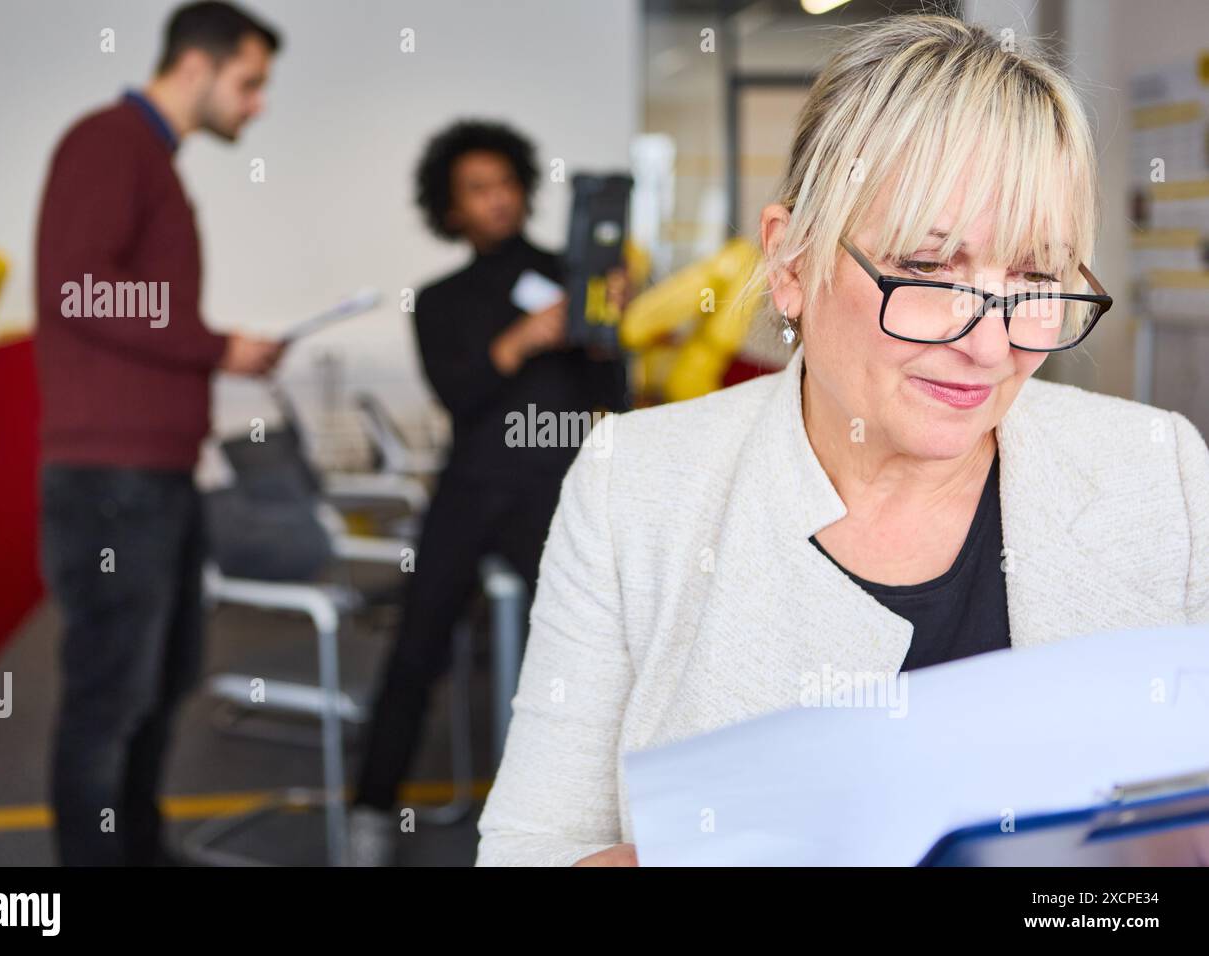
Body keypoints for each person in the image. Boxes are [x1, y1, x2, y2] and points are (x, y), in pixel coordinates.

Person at [476, 13, 1209, 867]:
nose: (988, 344)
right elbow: (531, 851)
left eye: (1035, 277)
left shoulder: (1160, 472)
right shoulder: (634, 486)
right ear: (791, 265)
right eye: (928, 271)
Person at [34, 1, 284, 866]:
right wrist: (218, 346)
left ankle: (135, 848)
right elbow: (80, 290)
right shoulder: (107, 143)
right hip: (113, 484)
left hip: (152, 477)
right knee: (112, 694)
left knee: (161, 678)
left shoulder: (150, 159)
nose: (256, 105)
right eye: (248, 84)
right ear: (195, 67)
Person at [349, 120, 631, 865]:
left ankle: (586, 820)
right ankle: (372, 809)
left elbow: (612, 396)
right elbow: (460, 394)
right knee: (416, 647)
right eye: (477, 189)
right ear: (450, 210)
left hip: (559, 493)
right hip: (471, 490)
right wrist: (528, 337)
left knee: (585, 657)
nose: (496, 199)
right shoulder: (439, 300)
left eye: (505, 183)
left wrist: (604, 326)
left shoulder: (578, 275)